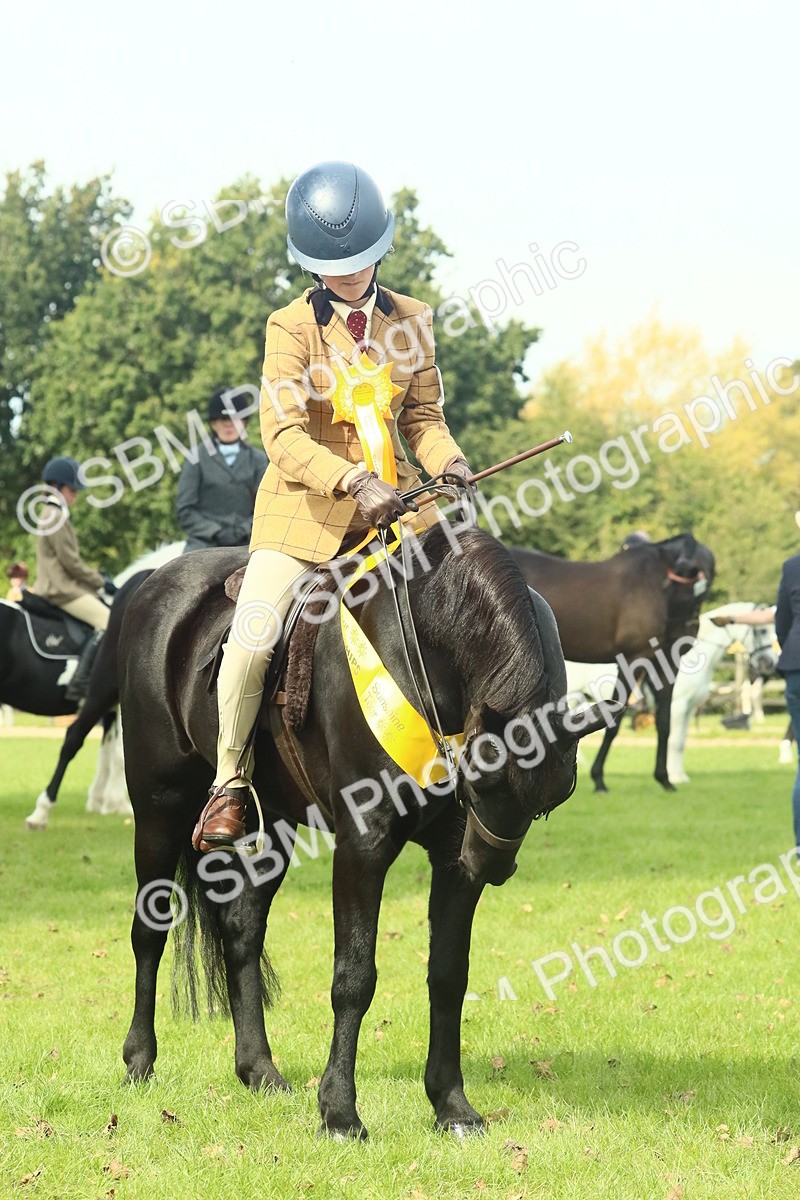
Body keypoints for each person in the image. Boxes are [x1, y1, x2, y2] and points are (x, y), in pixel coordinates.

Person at [192, 160, 473, 851]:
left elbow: (424, 419)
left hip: (400, 514)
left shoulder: (414, 319)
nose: (346, 274)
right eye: (331, 265)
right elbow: (282, 434)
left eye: (358, 260)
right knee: (252, 640)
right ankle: (230, 785)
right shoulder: (289, 327)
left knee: (477, 604)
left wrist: (449, 462)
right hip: (304, 518)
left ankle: (478, 758)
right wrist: (351, 482)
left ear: (382, 247)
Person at [28, 457, 115, 700]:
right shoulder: (54, 516)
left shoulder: (53, 513)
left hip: (63, 584)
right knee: (107, 622)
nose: (75, 495)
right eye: (72, 489)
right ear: (56, 486)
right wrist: (100, 581)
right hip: (60, 588)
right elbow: (71, 563)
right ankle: (81, 683)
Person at [176, 389, 268, 552]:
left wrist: (245, 529)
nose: (229, 424)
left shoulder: (258, 459)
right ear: (213, 423)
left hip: (246, 542)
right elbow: (185, 509)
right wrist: (214, 531)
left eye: (235, 419)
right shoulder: (195, 458)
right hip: (204, 544)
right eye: (223, 419)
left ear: (244, 423)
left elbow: (266, 505)